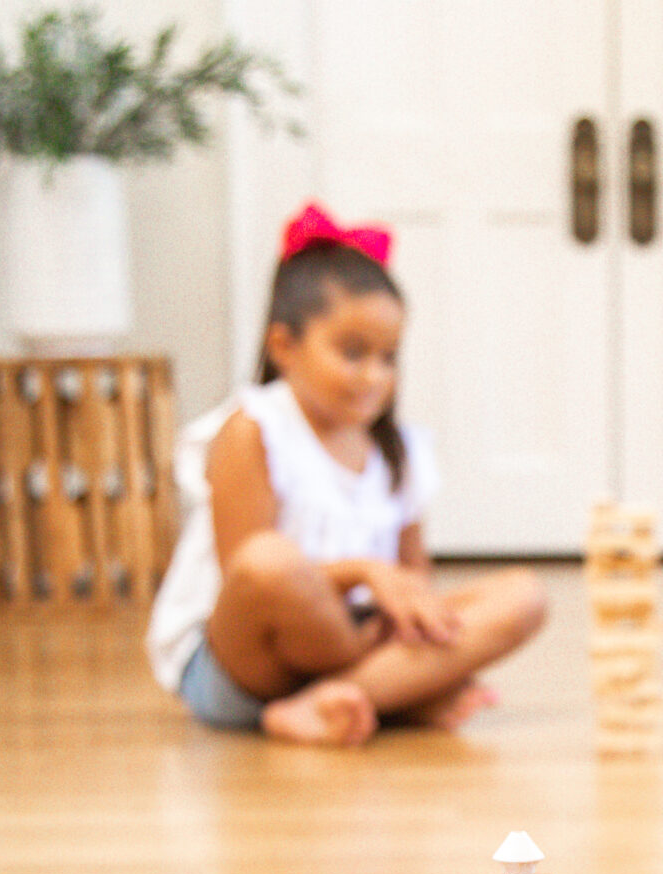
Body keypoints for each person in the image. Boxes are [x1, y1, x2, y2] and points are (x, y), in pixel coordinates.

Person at [145, 203, 547, 745]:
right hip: (245, 663)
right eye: (352, 353)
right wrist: (364, 574)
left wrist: (411, 608)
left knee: (523, 596)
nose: (373, 376)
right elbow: (246, 575)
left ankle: (331, 702)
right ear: (284, 347)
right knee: (271, 562)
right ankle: (398, 694)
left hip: (353, 638)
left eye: (388, 357)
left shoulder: (399, 450)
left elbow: (413, 576)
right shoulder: (253, 430)